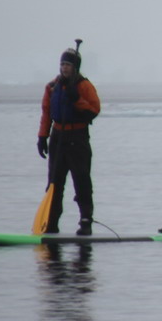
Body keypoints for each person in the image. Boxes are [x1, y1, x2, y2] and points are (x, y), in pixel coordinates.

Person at [38, 46, 101, 234]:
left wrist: (77, 100)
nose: (64, 68)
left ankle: (85, 221)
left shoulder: (84, 86)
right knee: (54, 183)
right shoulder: (51, 87)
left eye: (68, 65)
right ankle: (50, 223)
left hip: (78, 138)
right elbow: (46, 114)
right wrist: (42, 137)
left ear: (75, 67)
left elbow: (94, 110)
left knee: (81, 181)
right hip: (58, 138)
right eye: (62, 64)